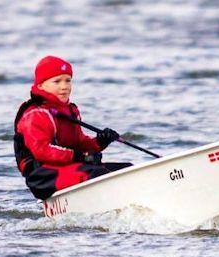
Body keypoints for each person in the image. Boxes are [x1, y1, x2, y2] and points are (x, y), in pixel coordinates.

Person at [14, 55, 132, 199]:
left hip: (66, 167)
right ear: (40, 86)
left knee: (128, 171)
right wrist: (79, 156)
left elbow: (79, 143)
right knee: (98, 175)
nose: (64, 86)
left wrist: (100, 141)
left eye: (68, 80)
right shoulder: (35, 114)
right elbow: (42, 151)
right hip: (42, 175)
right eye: (57, 81)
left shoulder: (70, 110)